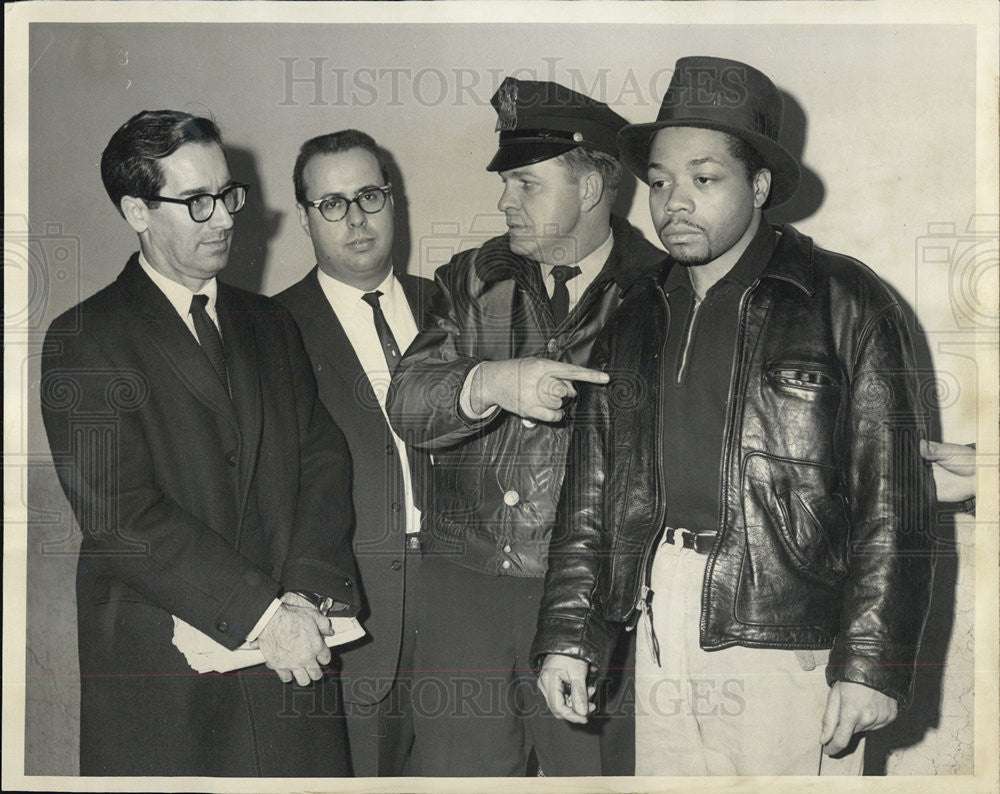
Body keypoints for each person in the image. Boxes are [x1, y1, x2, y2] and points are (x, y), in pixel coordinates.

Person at [533, 56, 936, 776]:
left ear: (759, 186)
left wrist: (873, 662)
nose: (673, 202)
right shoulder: (633, 312)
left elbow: (896, 499)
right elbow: (589, 491)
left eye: (704, 178)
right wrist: (568, 633)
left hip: (790, 632)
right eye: (659, 182)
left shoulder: (846, 301)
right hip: (661, 617)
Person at [40, 110, 359, 776]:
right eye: (197, 202)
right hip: (169, 684)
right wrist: (263, 613)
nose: (224, 218)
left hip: (292, 660)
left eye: (228, 194)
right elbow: (121, 516)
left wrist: (303, 595)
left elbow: (322, 459)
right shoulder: (86, 339)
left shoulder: (270, 321)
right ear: (136, 211)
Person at [385, 77, 664, 776]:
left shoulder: (660, 294)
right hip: (463, 594)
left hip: (585, 599)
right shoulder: (474, 276)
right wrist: (487, 383)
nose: (504, 201)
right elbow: (408, 402)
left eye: (526, 184)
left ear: (592, 189)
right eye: (506, 183)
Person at [275, 129, 435, 776]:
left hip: (463, 602)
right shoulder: (270, 327)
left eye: (369, 196)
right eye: (333, 204)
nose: (357, 218)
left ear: (393, 202)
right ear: (307, 220)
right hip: (351, 606)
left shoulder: (452, 305)